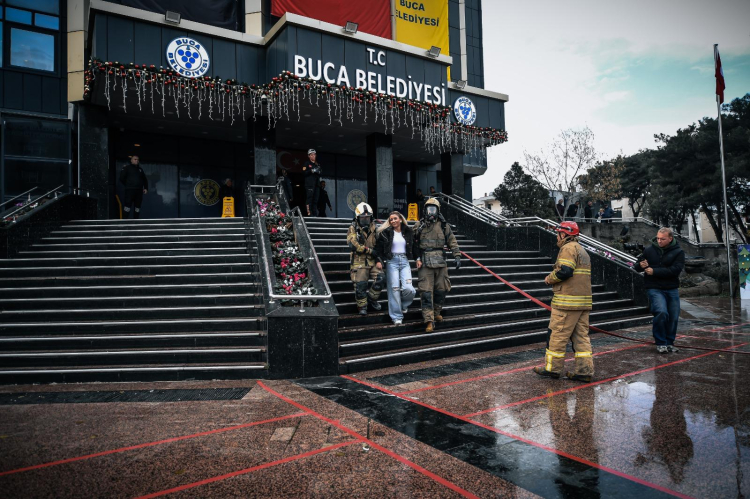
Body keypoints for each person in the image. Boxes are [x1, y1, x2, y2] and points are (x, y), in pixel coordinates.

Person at [533, 221, 594, 382]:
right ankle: (584, 371)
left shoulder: (568, 248)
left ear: (564, 234)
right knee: (581, 338)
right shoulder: (582, 250)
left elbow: (565, 271)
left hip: (567, 303)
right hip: (583, 302)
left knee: (557, 336)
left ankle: (552, 368)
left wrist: (549, 278)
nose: (557, 237)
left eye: (558, 233)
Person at [635, 227, 685, 353]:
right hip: (654, 287)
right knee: (661, 312)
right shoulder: (649, 250)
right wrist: (640, 265)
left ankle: (669, 342)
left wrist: (655, 271)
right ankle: (660, 342)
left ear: (670, 239)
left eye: (662, 239)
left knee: (673, 316)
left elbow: (675, 270)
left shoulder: (678, 252)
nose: (659, 241)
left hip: (671, 288)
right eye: (657, 238)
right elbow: (637, 265)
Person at [415, 198, 461, 333]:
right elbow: (413, 243)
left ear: (438, 211)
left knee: (442, 289)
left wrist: (457, 255)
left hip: (441, 261)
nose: (431, 212)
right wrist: (417, 257)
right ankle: (429, 320)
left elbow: (452, 240)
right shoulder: (419, 225)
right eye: (429, 209)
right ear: (425, 210)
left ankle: (436, 312)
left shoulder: (444, 225)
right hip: (425, 262)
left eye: (433, 210)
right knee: (426, 292)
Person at [375, 211, 416, 325]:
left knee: (409, 289)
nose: (393, 221)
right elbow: (379, 248)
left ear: (400, 219)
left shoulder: (408, 231)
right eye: (391, 219)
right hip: (391, 261)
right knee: (394, 289)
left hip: (404, 261)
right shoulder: (386, 233)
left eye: (395, 218)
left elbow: (414, 246)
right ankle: (397, 317)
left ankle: (403, 305)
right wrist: (378, 260)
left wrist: (417, 258)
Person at [347, 202, 385, 315]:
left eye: (367, 218)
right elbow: (353, 245)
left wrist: (378, 259)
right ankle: (362, 306)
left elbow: (379, 244)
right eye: (362, 218)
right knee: (360, 285)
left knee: (381, 278)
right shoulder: (353, 228)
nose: (365, 220)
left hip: (372, 260)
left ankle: (372, 299)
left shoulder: (375, 228)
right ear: (357, 218)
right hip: (358, 261)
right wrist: (369, 250)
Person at [303, 149, 322, 216]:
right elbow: (304, 173)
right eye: (311, 155)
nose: (313, 156)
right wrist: (311, 171)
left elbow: (320, 173)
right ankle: (309, 213)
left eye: (314, 154)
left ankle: (314, 214)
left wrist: (318, 171)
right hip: (309, 184)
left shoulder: (317, 164)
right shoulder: (306, 163)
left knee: (315, 199)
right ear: (309, 156)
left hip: (317, 184)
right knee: (309, 199)